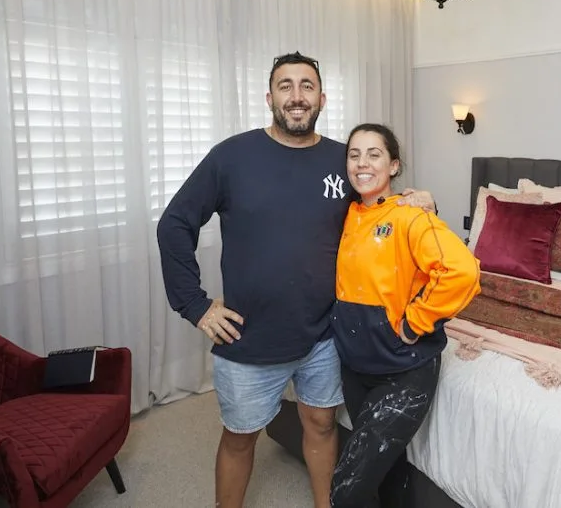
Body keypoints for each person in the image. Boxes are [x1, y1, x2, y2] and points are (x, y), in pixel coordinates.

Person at [156, 52, 435, 508]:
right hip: (248, 338)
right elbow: (174, 224)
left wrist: (418, 200)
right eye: (286, 86)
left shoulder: (339, 160)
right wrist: (195, 304)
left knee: (322, 426)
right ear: (270, 97)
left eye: (307, 86)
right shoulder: (232, 156)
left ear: (322, 98)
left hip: (324, 336)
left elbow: (375, 208)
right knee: (240, 438)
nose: (297, 95)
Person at [328, 124, 481, 508]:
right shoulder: (344, 214)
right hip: (355, 366)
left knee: (347, 490)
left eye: (374, 154)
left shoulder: (410, 215)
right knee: (388, 468)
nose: (363, 163)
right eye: (354, 154)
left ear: (394, 165)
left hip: (402, 370)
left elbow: (462, 271)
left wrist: (416, 321)